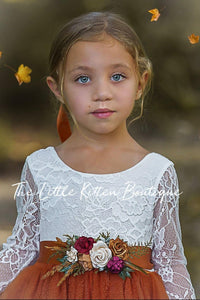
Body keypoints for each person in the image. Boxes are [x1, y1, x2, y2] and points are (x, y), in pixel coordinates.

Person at [0, 11, 196, 299]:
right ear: (58, 89)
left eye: (117, 76)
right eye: (82, 79)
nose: (101, 92)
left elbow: (170, 261)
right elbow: (21, 248)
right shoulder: (41, 167)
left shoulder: (157, 172)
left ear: (140, 84)